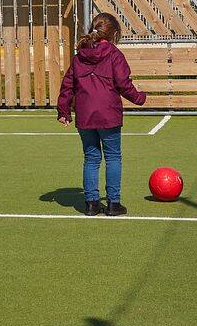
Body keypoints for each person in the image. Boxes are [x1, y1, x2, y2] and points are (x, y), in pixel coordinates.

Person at [56, 12, 146, 216]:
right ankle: (113, 203)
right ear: (114, 34)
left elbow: (67, 85)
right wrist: (139, 98)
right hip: (109, 114)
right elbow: (124, 84)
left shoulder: (79, 57)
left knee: (91, 157)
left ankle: (91, 203)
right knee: (113, 156)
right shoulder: (115, 54)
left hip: (85, 115)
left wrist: (63, 110)